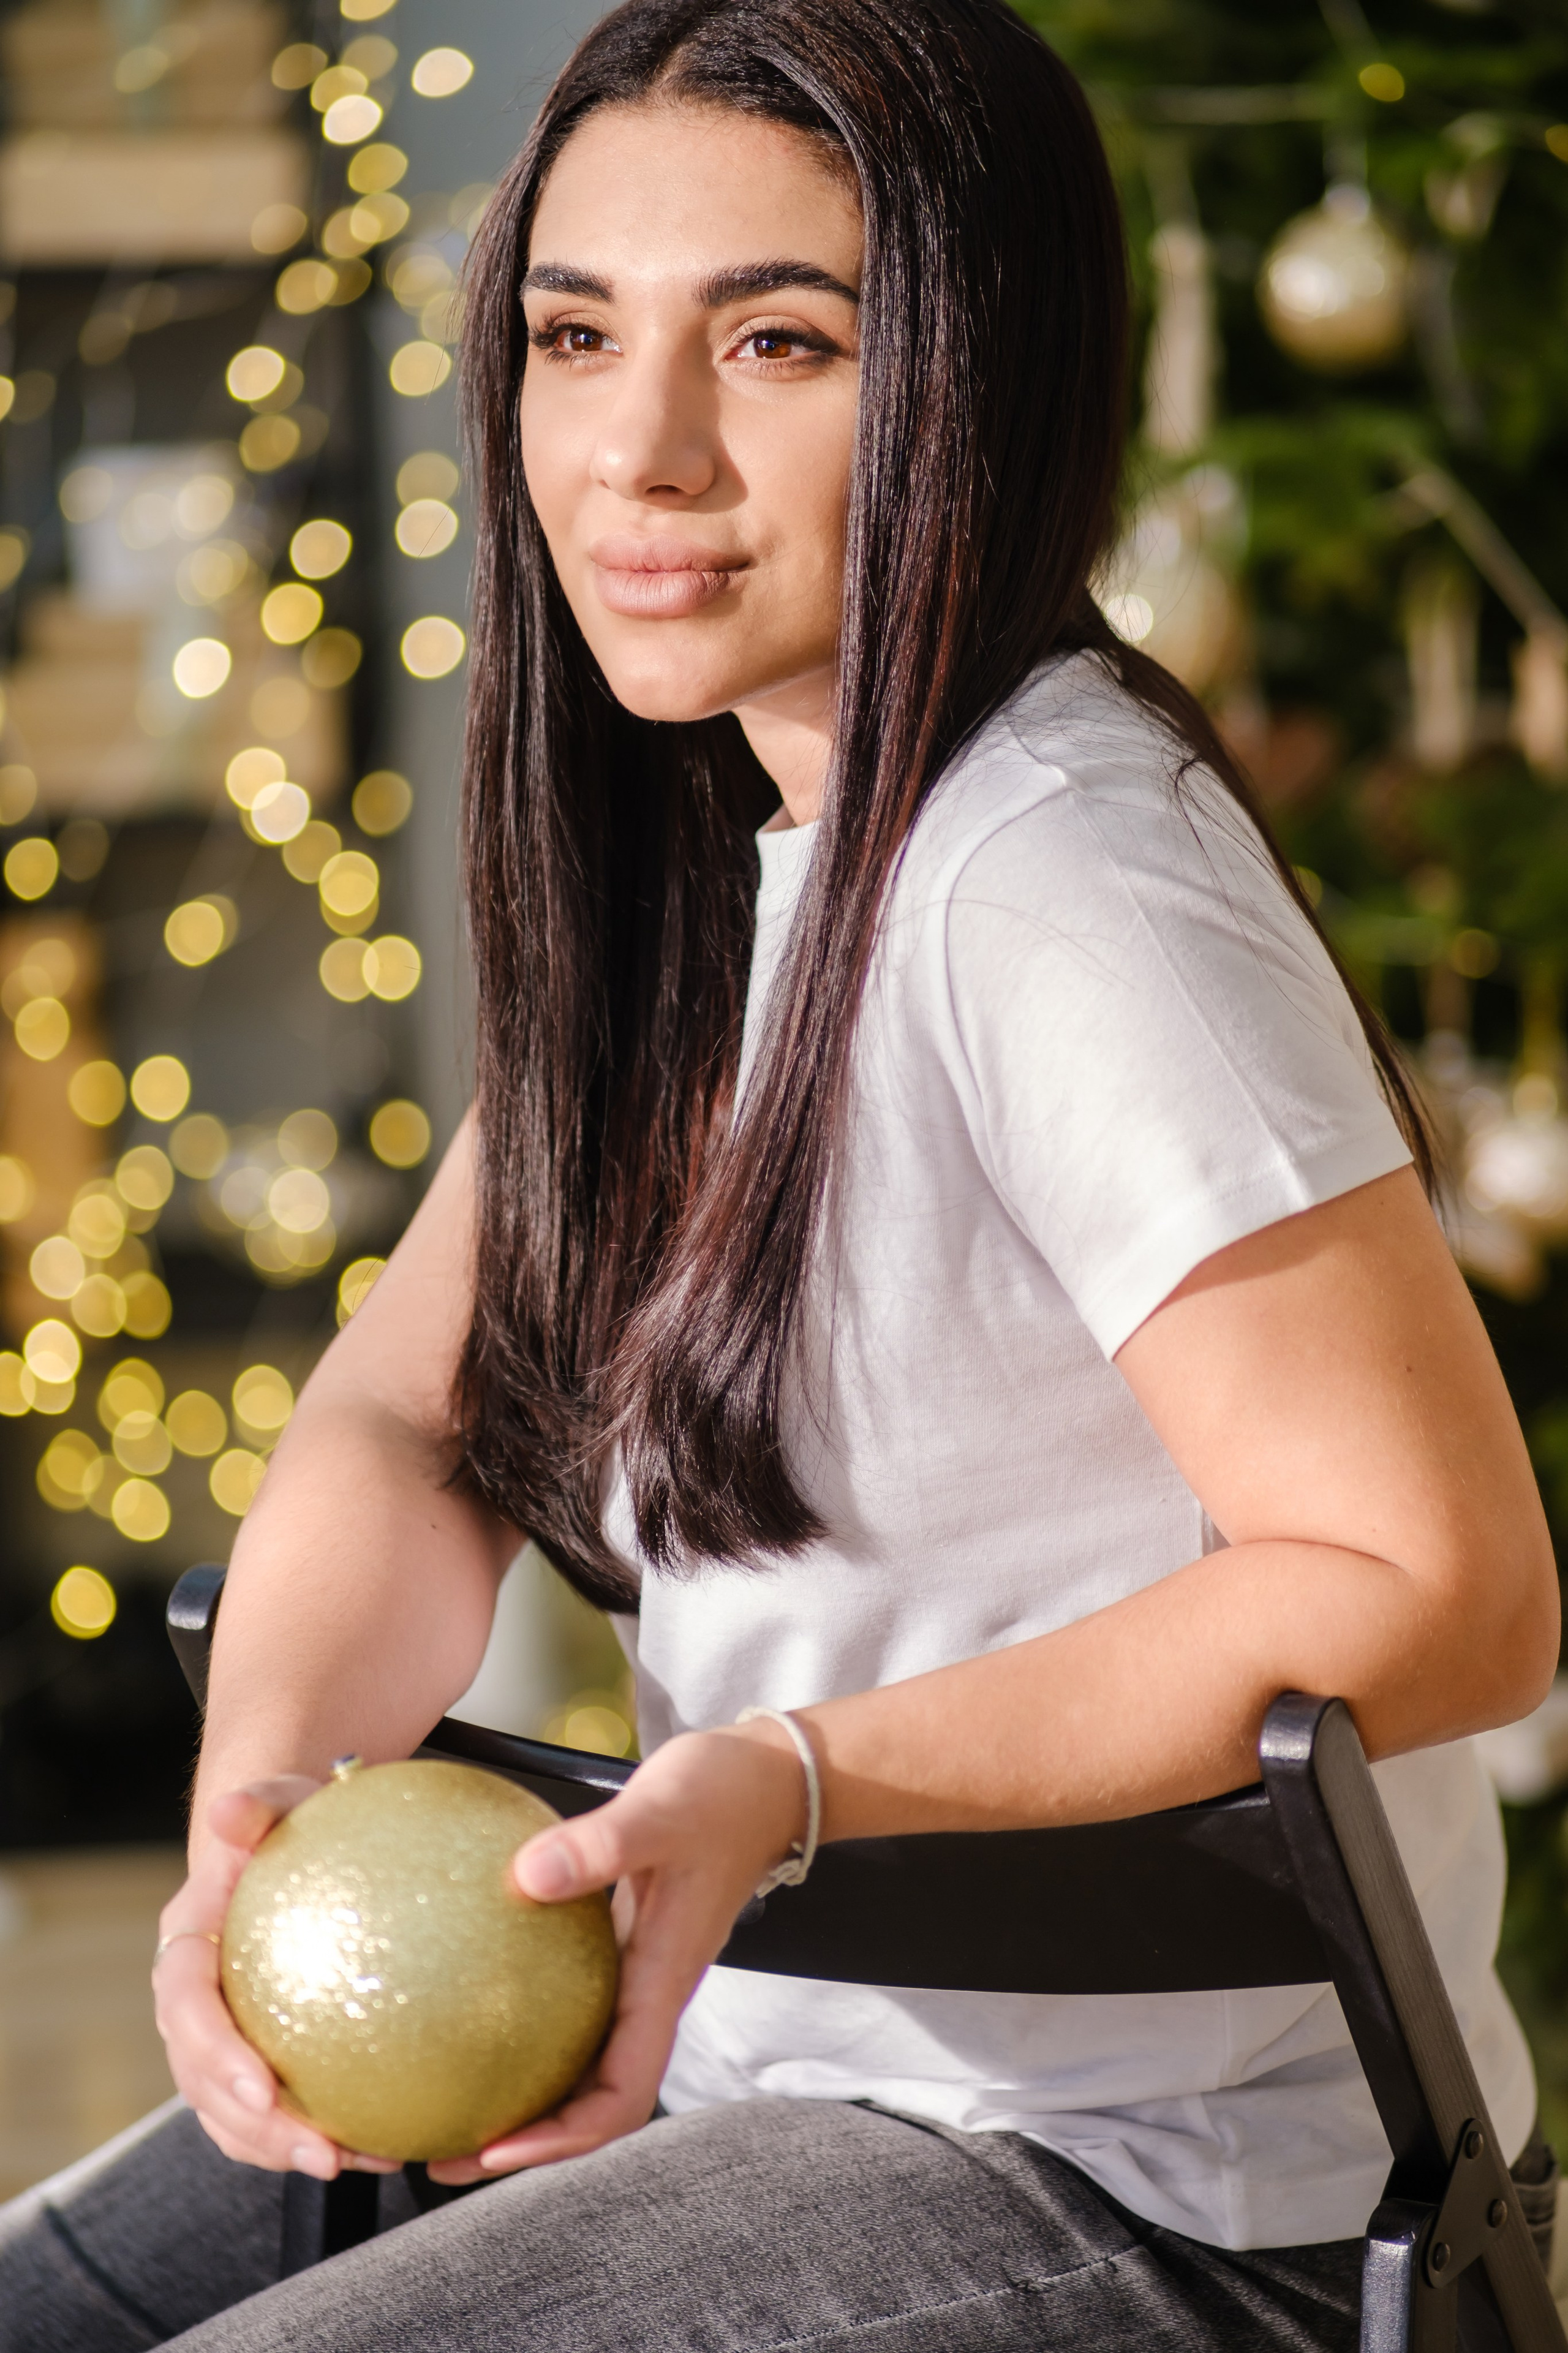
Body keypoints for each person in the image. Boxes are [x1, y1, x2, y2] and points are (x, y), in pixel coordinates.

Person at [1, 0, 1558, 2345]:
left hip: (1153, 2191)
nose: (642, 448)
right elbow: (416, 1413)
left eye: (784, 339)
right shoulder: (712, 858)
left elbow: (1440, 1586)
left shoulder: (1054, 883)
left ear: (979, 380)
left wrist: (791, 1781)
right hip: (758, 2069)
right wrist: (266, 1797)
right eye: (572, 333)